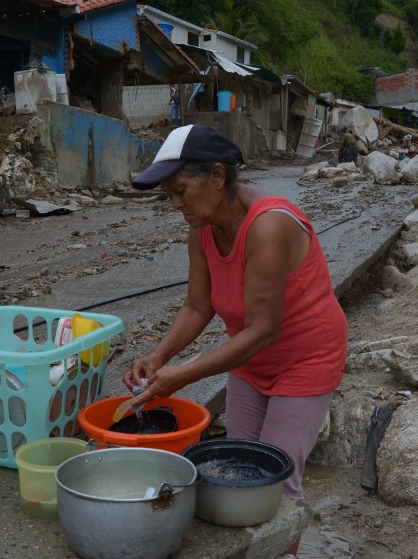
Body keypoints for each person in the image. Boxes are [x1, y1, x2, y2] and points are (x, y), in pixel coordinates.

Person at [125, 124, 348, 509]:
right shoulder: (203, 225)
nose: (177, 205)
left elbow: (262, 329)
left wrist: (184, 375)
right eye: (170, 197)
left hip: (305, 360)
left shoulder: (269, 225)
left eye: (180, 192)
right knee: (241, 470)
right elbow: (198, 305)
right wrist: (158, 358)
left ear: (216, 176)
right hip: (250, 361)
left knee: (278, 482)